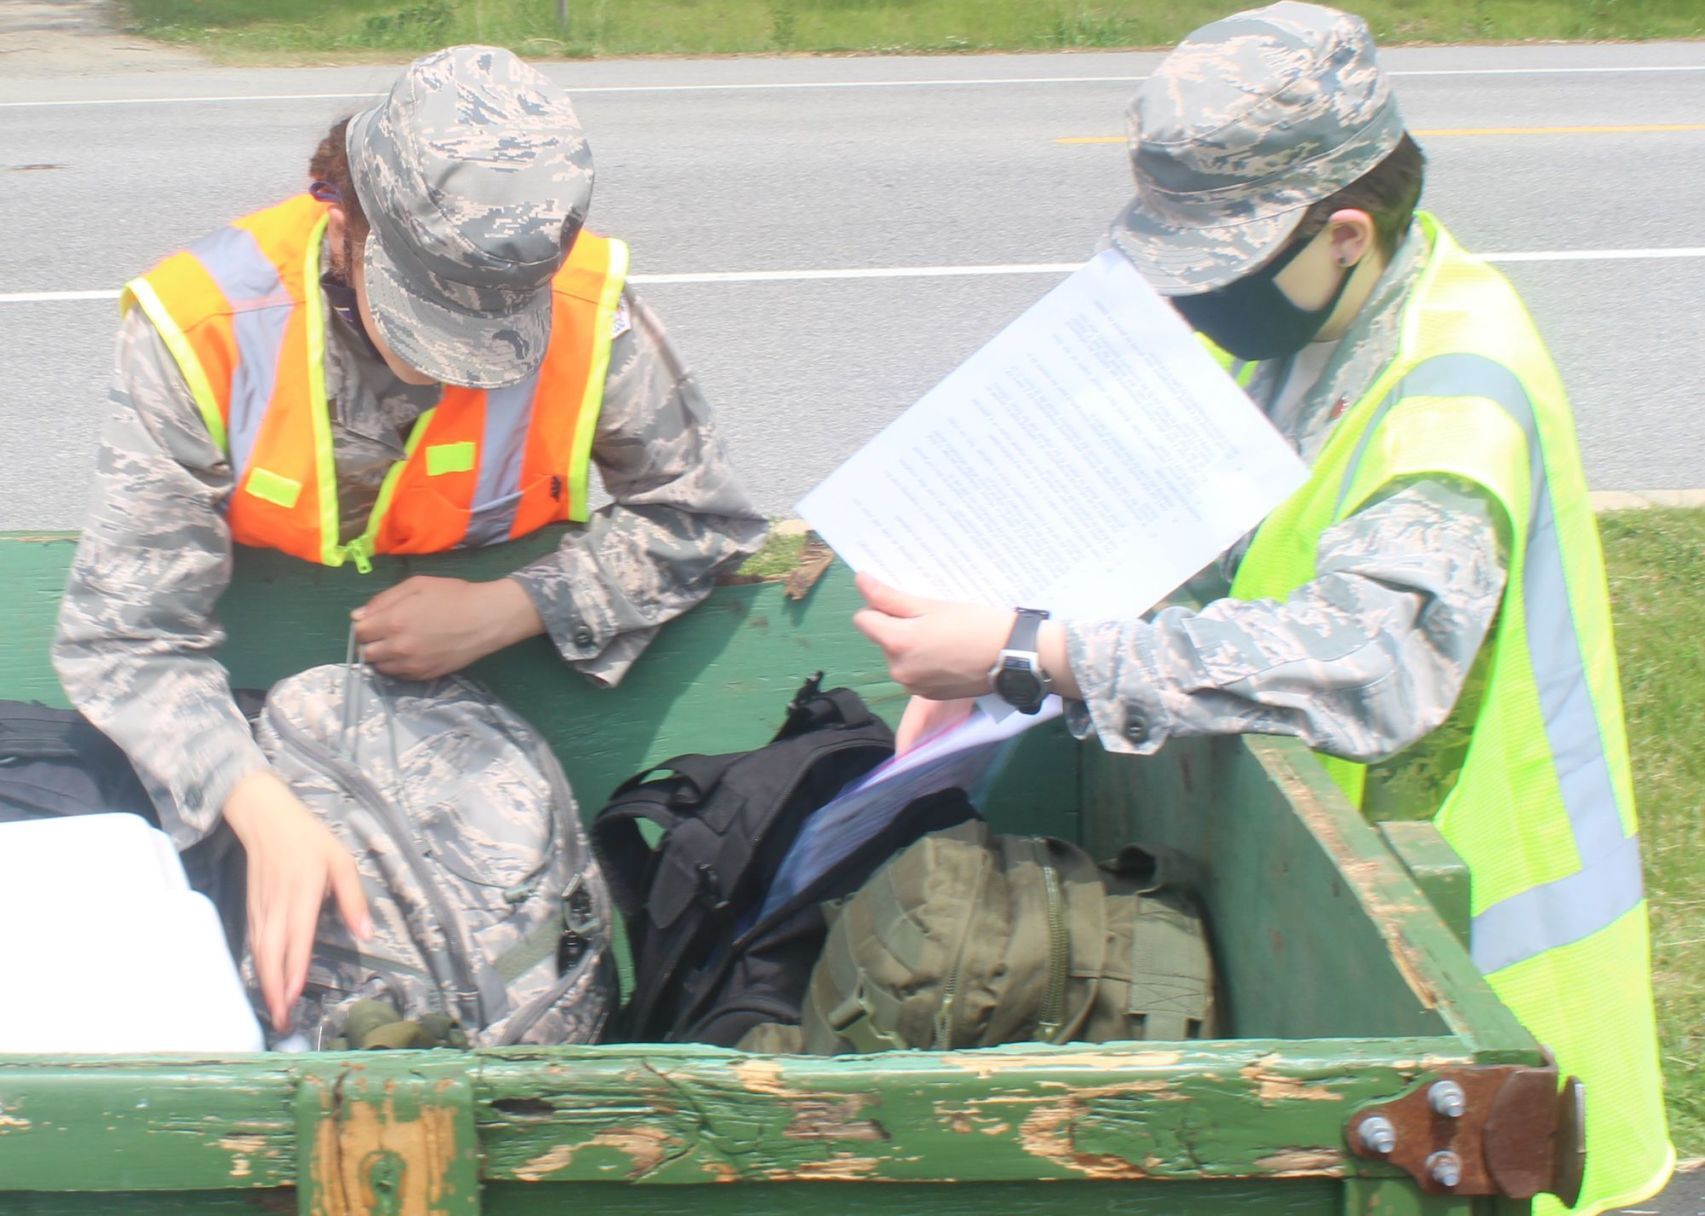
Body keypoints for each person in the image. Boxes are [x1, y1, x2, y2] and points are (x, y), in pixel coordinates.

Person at [851, 4, 1670, 1212]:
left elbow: (1365, 659)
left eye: (1220, 270)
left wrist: (1042, 652)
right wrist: (1005, 652)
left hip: (1487, 1008)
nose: (1197, 302)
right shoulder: (1305, 323)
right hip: (1332, 920)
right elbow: (1204, 548)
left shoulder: (1453, 389)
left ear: (1344, 231)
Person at [54, 46, 766, 1034]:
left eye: (492, 335)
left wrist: (513, 607)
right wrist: (258, 812)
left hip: (486, 765)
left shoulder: (578, 306)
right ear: (341, 217)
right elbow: (123, 639)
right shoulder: (201, 327)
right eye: (426, 318)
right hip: (270, 750)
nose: (462, 369)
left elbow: (704, 515)